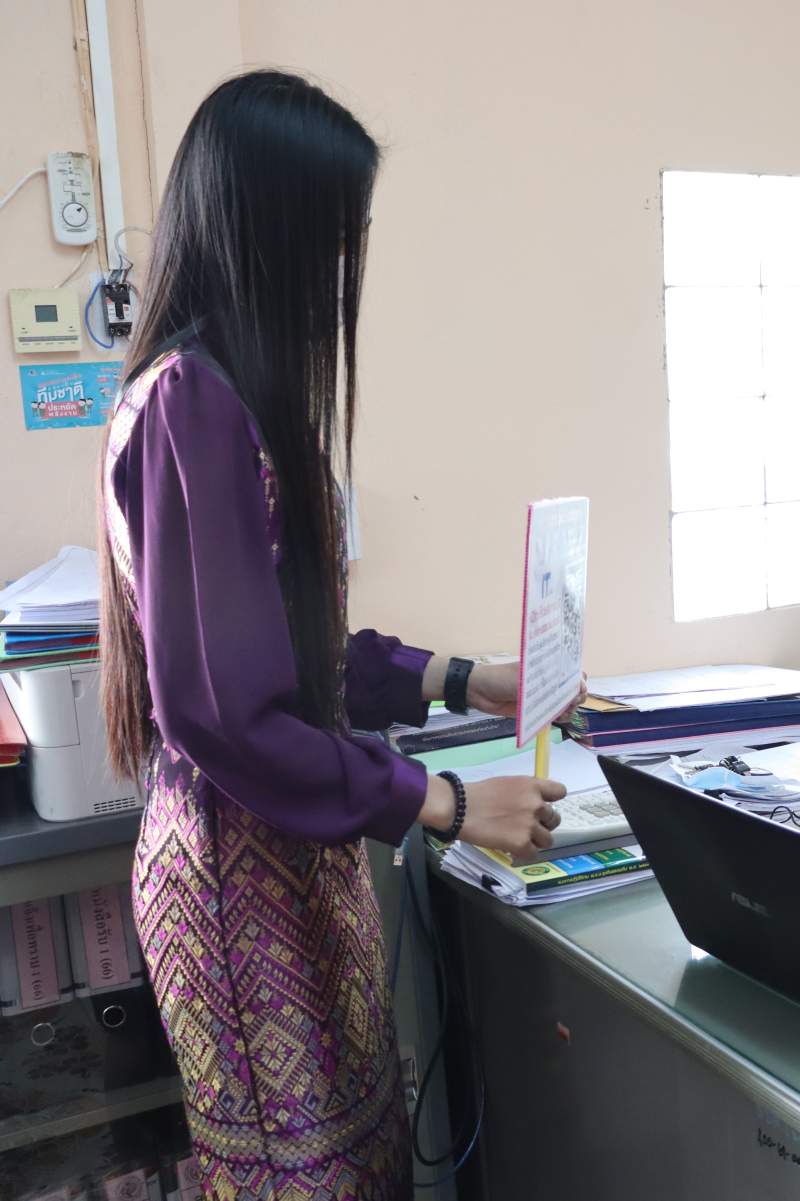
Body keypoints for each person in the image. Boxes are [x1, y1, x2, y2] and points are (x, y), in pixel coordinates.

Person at [97, 71, 576, 1200]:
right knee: (304, 1178)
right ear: (274, 229)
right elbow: (226, 713)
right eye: (338, 238)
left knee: (357, 1160)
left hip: (293, 861)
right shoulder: (190, 401)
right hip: (238, 883)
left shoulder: (233, 398)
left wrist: (468, 679)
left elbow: (299, 657)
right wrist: (443, 802)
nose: (346, 272)